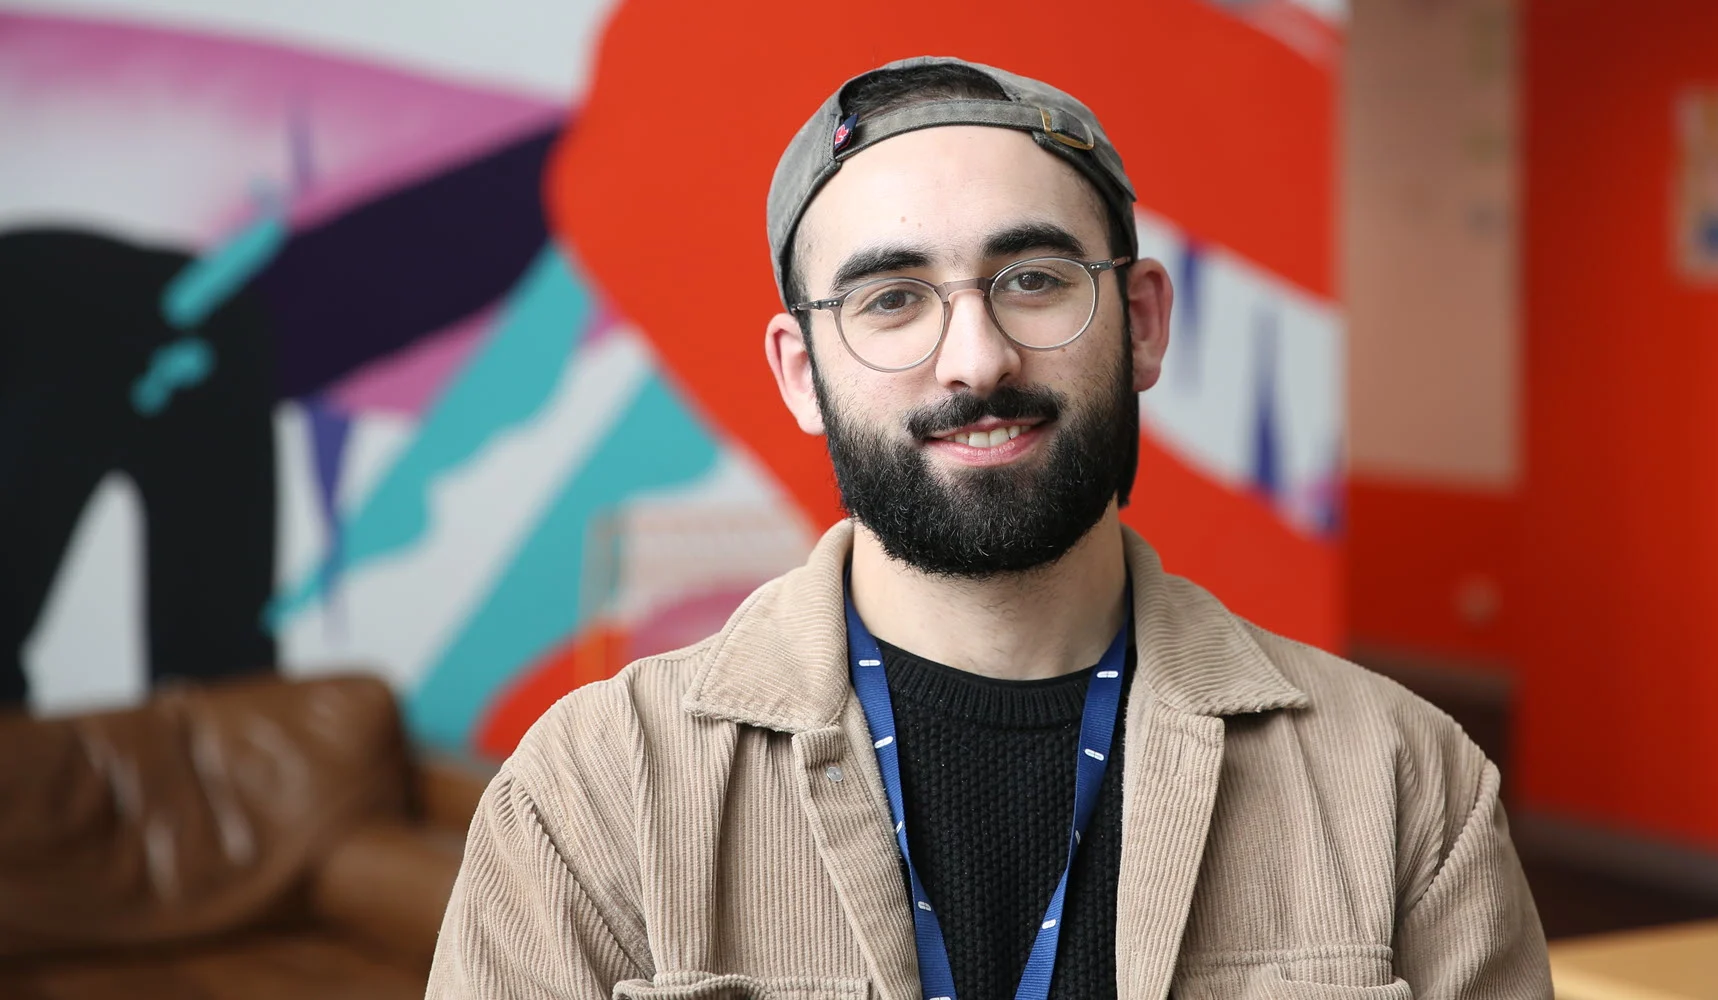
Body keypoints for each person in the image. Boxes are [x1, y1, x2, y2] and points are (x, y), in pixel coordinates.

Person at [429, 56, 1552, 1000]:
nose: (976, 358)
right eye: (890, 299)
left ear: (1142, 323)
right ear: (801, 373)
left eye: (1033, 279)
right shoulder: (593, 798)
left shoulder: (1404, 782)